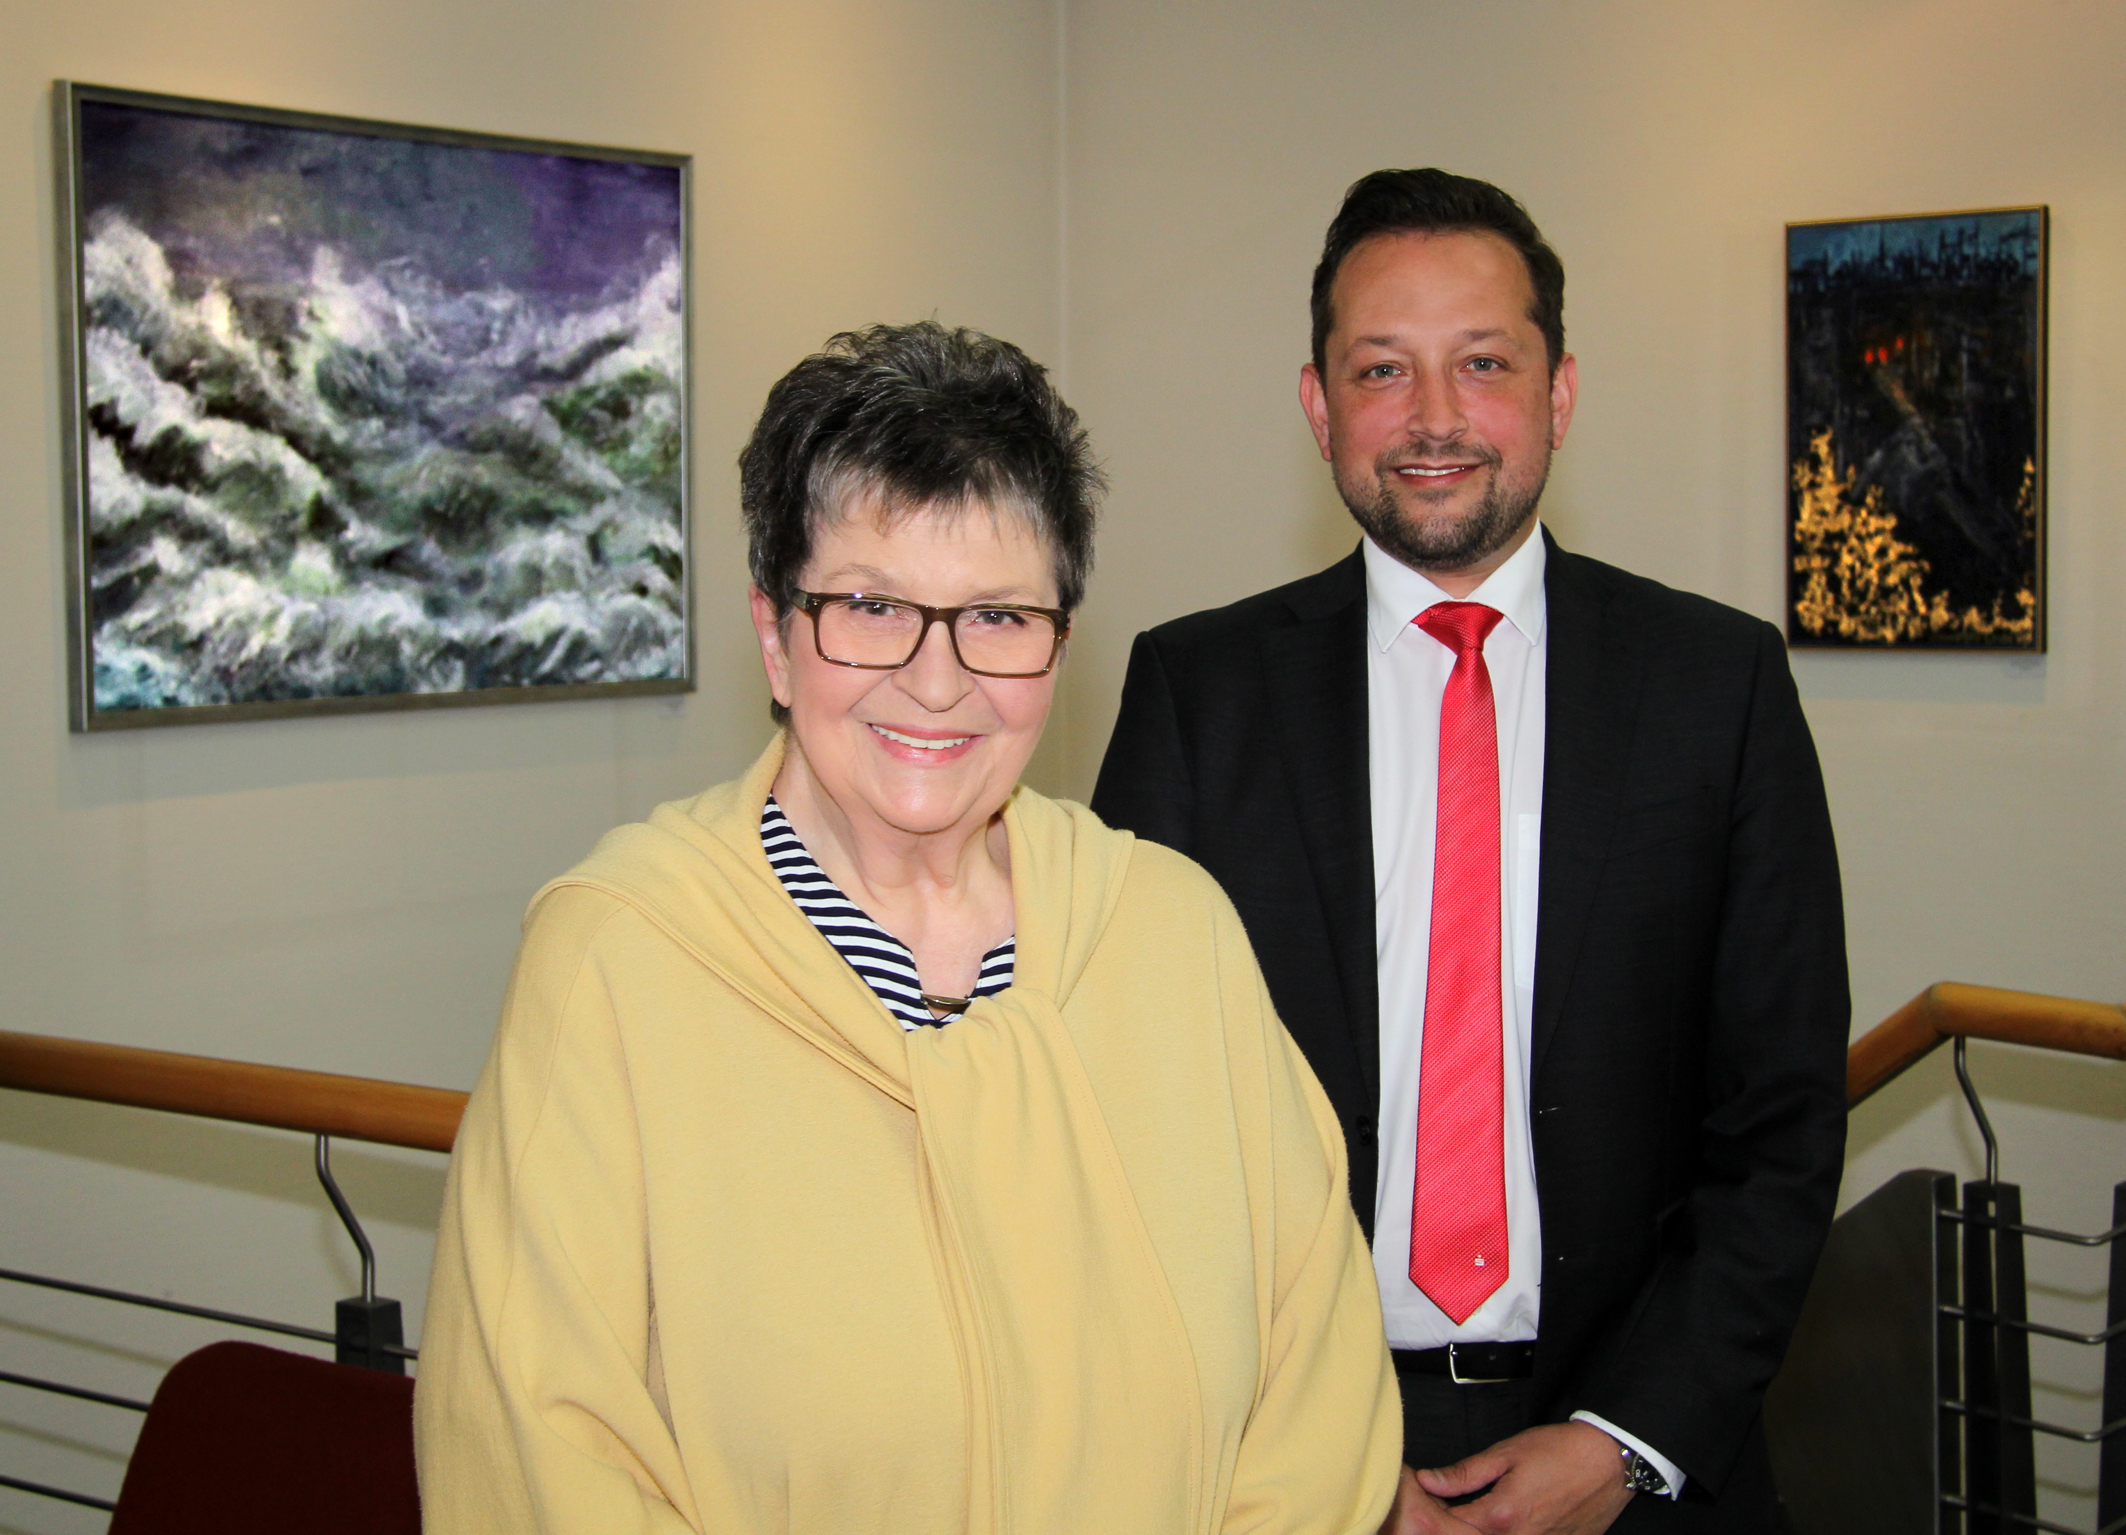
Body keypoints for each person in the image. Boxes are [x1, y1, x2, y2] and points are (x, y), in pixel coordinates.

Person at [414, 320, 1403, 1534]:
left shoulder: (1169, 932)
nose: (937, 681)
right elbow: (541, 1450)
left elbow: (1314, 1384)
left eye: (998, 617)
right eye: (871, 604)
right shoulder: (619, 958)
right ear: (775, 635)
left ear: (1060, 644)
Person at [1091, 171, 1850, 1533]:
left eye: (1483, 363)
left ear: (1559, 392)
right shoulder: (1194, 695)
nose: (1432, 416)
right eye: (1381, 368)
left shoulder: (1715, 684)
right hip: (1288, 1458)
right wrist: (1303, 1456)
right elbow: (1125, 1126)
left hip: (1636, 1452)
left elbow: (1779, 1122)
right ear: (1318, 405)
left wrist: (1625, 1442)